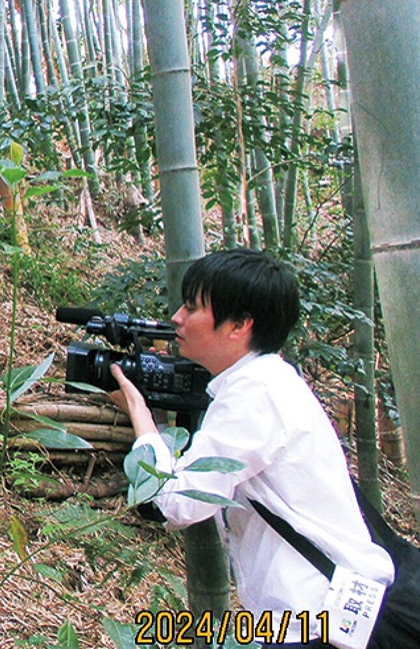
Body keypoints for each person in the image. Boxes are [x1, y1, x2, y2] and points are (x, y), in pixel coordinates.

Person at [109, 248, 393, 647]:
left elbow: (177, 502)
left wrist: (141, 415)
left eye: (192, 307)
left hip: (313, 622)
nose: (176, 317)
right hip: (318, 616)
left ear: (239, 325)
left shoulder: (255, 394)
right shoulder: (268, 381)